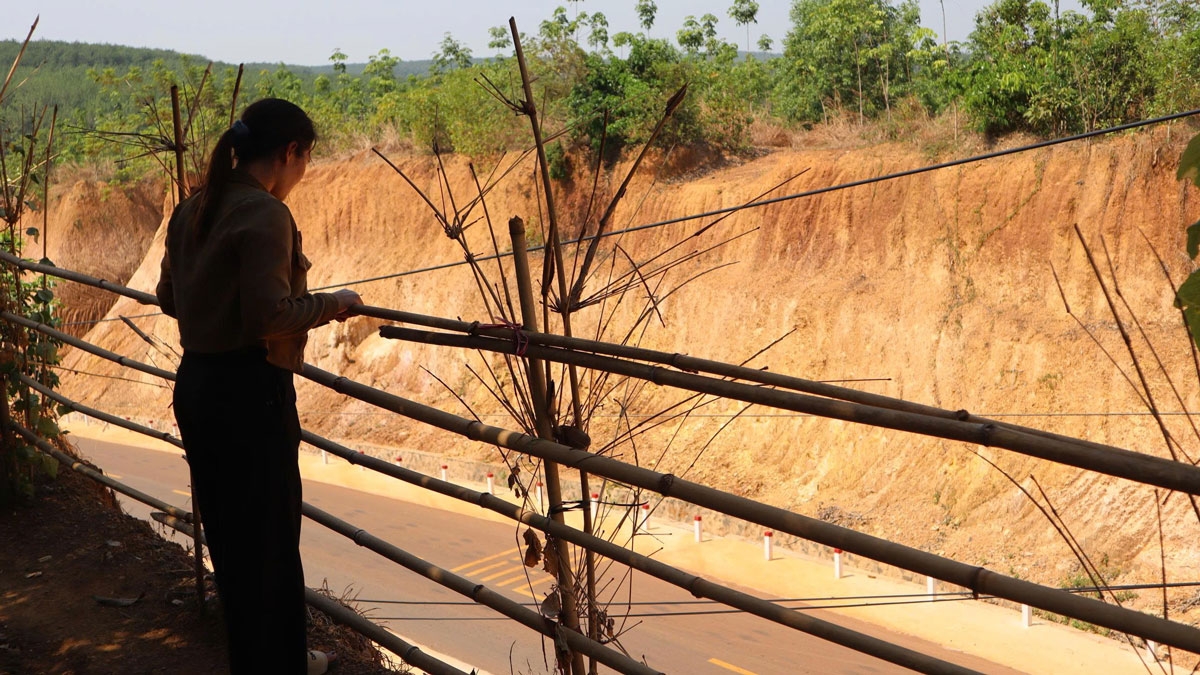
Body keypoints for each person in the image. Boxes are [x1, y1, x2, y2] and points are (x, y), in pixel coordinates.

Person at [156, 98, 360, 675]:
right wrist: (332, 304)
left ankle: (258, 660)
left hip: (197, 385)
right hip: (251, 394)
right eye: (306, 160)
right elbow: (270, 316)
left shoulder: (193, 206)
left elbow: (168, 298)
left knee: (230, 540)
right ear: (290, 152)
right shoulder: (266, 213)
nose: (302, 173)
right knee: (270, 544)